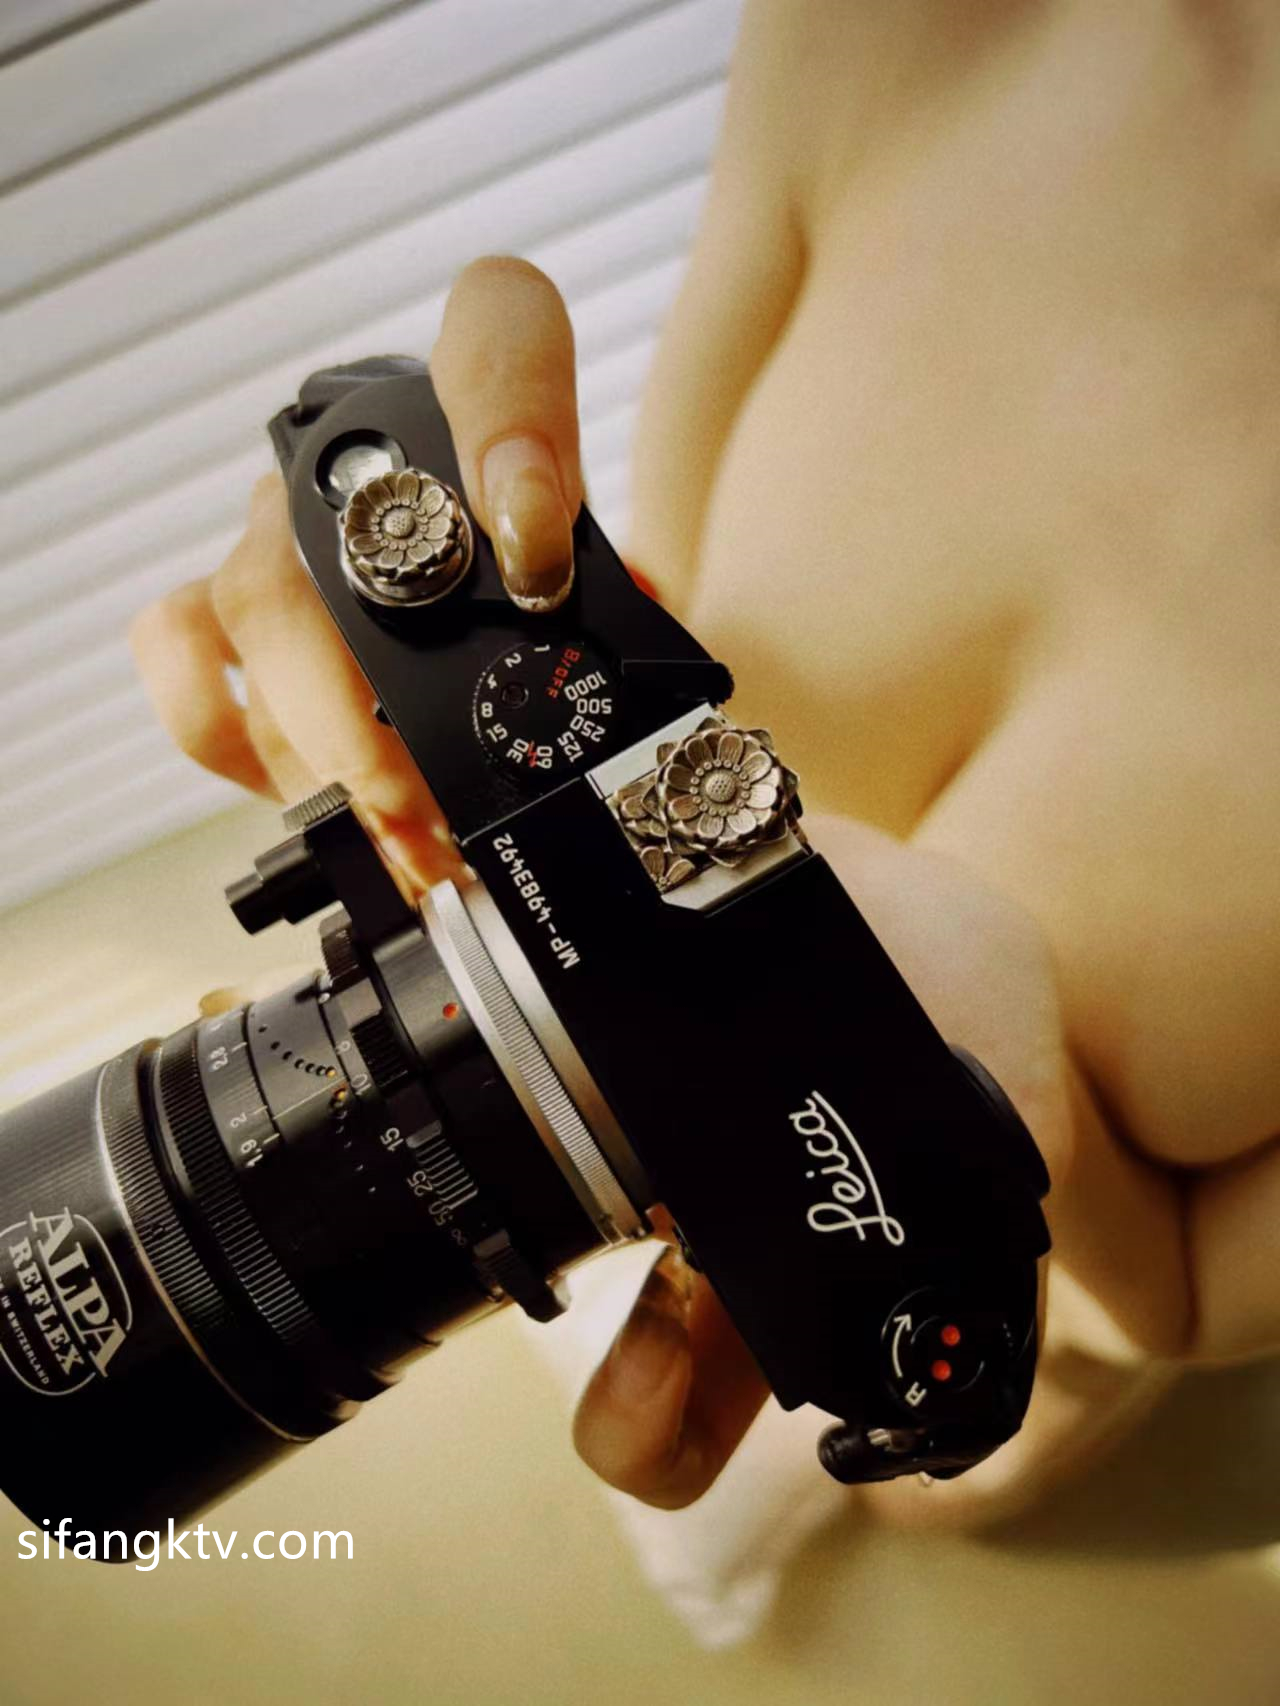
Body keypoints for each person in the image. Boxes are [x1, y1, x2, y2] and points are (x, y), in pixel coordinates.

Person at [130, 0, 1280, 1526]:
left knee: (939, 1502)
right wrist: (434, 600)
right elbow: (632, 626)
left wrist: (992, 1142)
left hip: (974, 1379)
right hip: (704, 1226)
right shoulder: (915, 25)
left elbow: (1185, 1291)